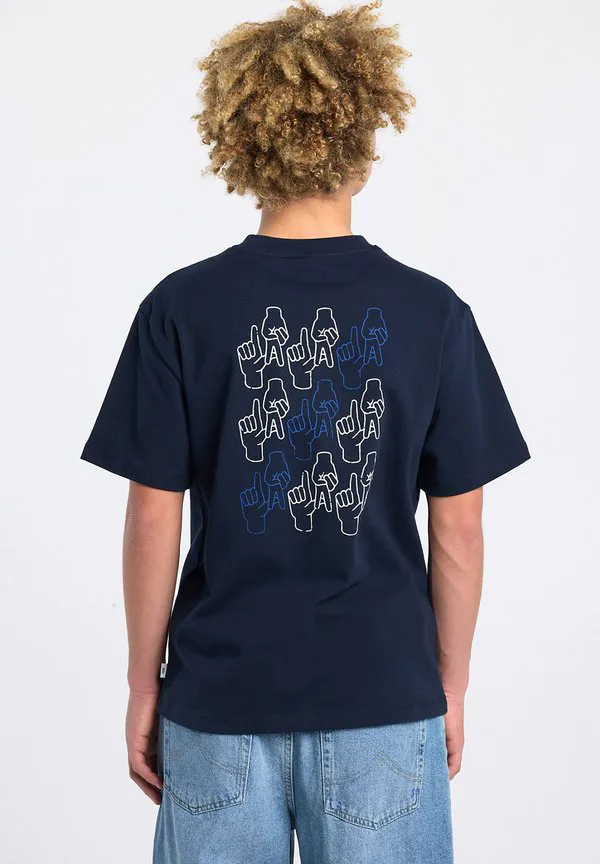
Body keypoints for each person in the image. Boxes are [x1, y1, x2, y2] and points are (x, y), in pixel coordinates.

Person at [81, 2, 530, 862]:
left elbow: (152, 515)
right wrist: (451, 684)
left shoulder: (181, 308)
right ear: (365, 134)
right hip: (384, 698)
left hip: (219, 698)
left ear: (242, 140)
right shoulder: (432, 313)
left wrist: (144, 683)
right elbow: (461, 527)